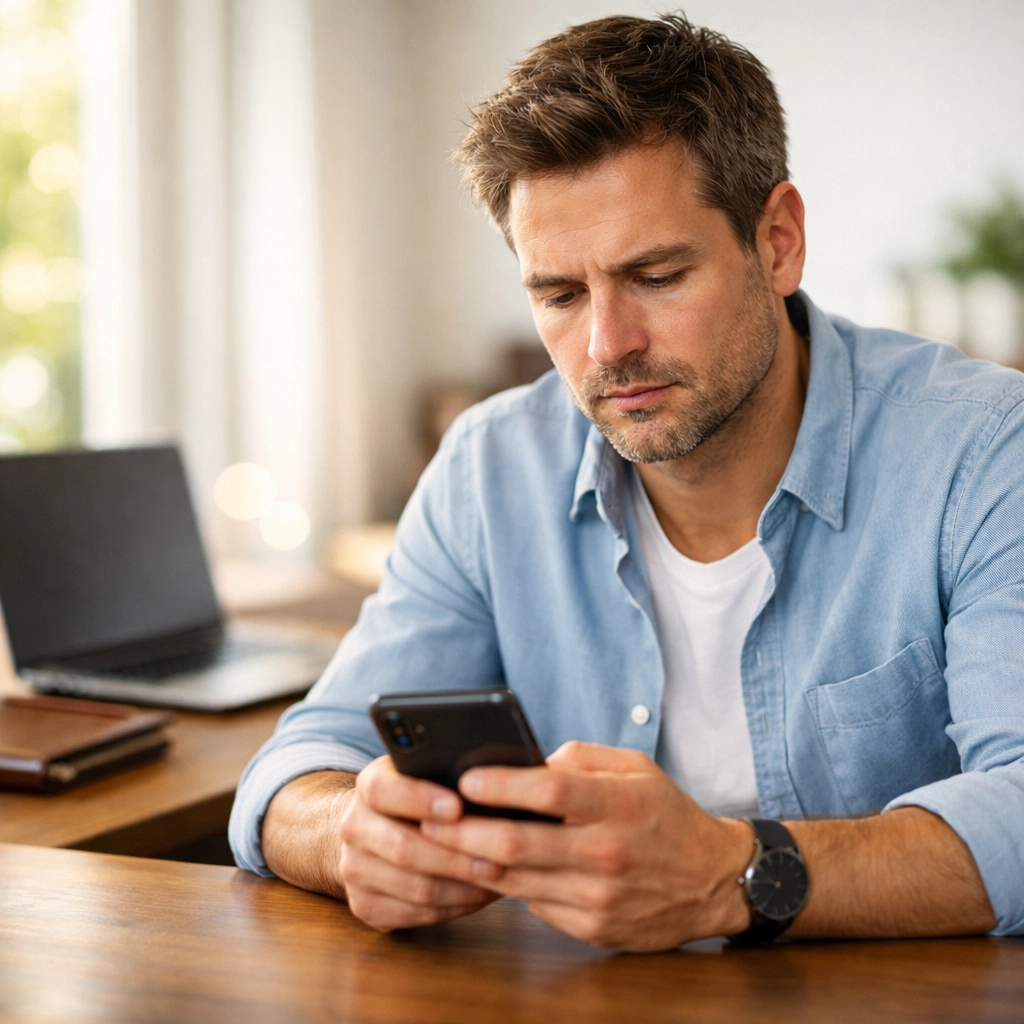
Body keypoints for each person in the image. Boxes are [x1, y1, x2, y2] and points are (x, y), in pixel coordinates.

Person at [228, 13, 1024, 950]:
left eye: (655, 275)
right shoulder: (490, 469)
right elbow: (301, 765)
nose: (607, 348)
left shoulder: (984, 452)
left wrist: (734, 877)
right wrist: (348, 832)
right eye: (559, 295)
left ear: (777, 241)